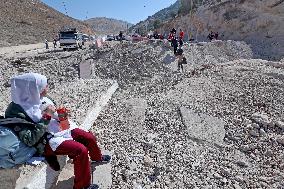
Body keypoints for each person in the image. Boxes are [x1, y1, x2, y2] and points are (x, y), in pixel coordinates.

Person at [5, 73, 110, 189]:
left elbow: (58, 116)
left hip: (59, 129)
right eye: (43, 86)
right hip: (45, 140)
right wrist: (47, 117)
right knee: (81, 150)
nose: (47, 88)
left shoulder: (44, 98)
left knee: (88, 137)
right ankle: (82, 186)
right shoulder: (16, 111)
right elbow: (30, 140)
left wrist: (62, 114)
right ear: (33, 89)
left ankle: (96, 157)